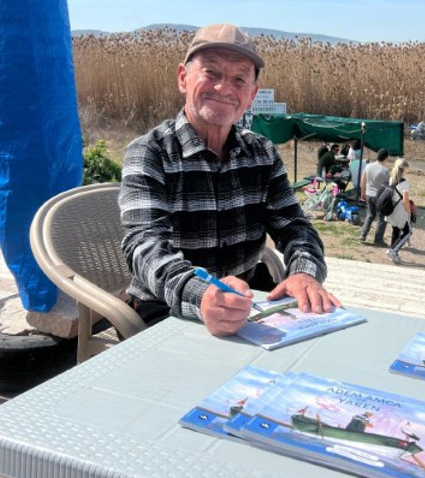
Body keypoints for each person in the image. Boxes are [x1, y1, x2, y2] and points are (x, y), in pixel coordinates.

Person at [119, 23, 340, 337]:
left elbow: (295, 226)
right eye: (211, 73)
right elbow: (146, 247)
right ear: (183, 78)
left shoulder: (261, 152)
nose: (224, 89)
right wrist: (202, 294)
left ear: (251, 96)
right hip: (168, 302)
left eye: (239, 79)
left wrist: (304, 273)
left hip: (248, 296)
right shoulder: (150, 152)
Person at [358, 148, 390, 246]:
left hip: (369, 194)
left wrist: (362, 192)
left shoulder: (368, 166)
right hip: (379, 196)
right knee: (382, 218)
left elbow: (363, 181)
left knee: (370, 215)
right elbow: (387, 186)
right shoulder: (385, 170)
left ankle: (363, 234)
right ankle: (378, 239)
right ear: (386, 158)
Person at [385, 158, 412, 264]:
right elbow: (406, 201)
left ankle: (393, 251)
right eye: (407, 169)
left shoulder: (391, 178)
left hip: (392, 209)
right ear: (404, 169)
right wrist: (409, 211)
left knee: (396, 230)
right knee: (408, 231)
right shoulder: (404, 183)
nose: (408, 171)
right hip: (400, 210)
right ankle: (393, 251)